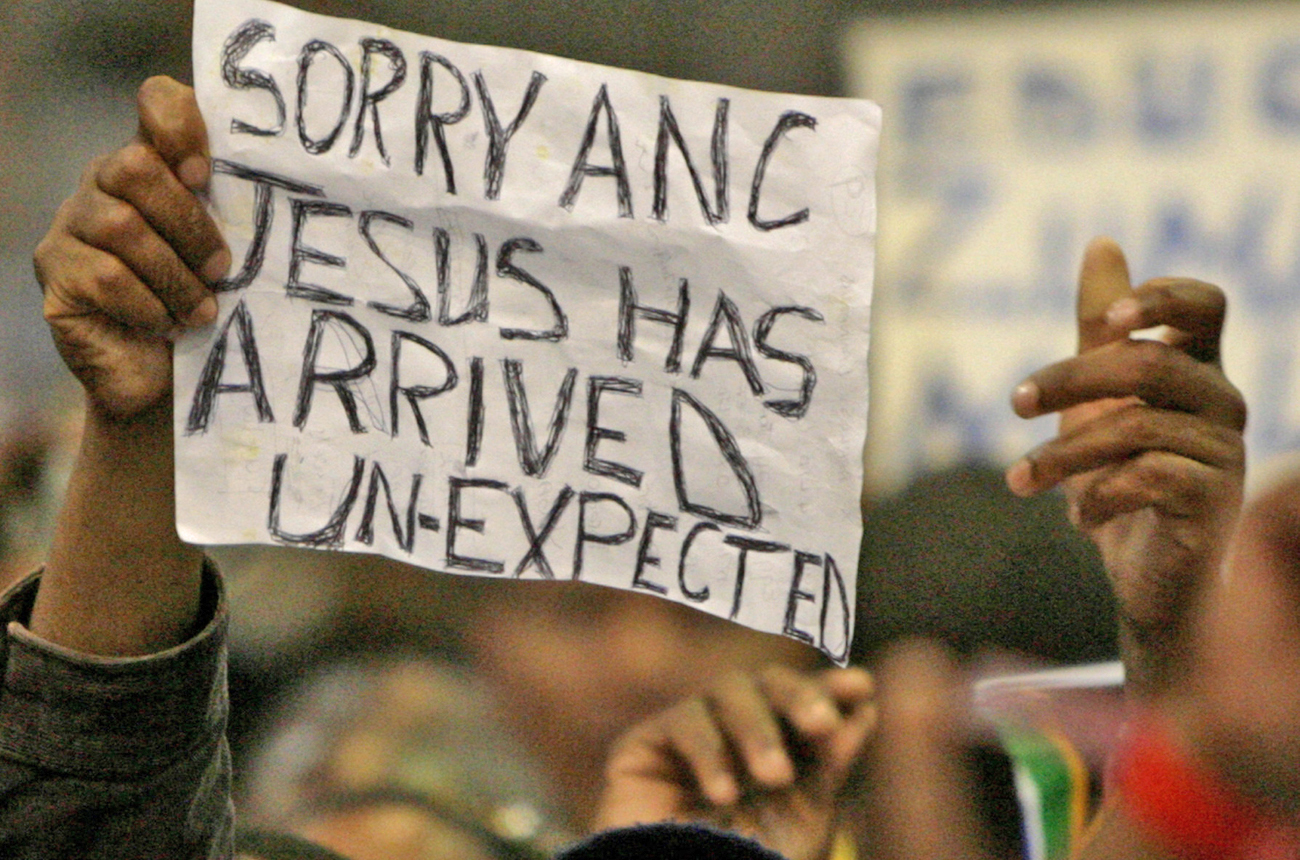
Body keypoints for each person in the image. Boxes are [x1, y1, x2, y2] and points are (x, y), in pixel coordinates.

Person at [0, 73, 1251, 859]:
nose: (647, 661)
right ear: (472, 617)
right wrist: (144, 423)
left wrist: (1180, 645)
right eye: (580, 602)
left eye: (708, 596)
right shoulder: (368, 812)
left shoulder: (949, 809)